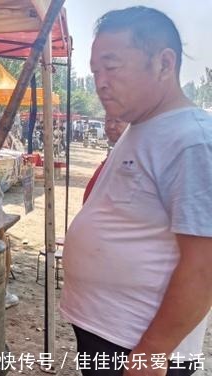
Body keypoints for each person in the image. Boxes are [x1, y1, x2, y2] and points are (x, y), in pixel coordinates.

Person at [61, 7, 212, 376]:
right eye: (95, 71)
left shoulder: (192, 139)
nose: (100, 82)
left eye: (112, 67)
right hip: (110, 336)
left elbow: (205, 264)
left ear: (163, 63)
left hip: (140, 349)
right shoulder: (141, 127)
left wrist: (153, 351)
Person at [82, 115, 128, 203]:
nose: (111, 126)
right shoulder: (115, 155)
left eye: (117, 121)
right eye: (108, 120)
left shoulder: (135, 158)